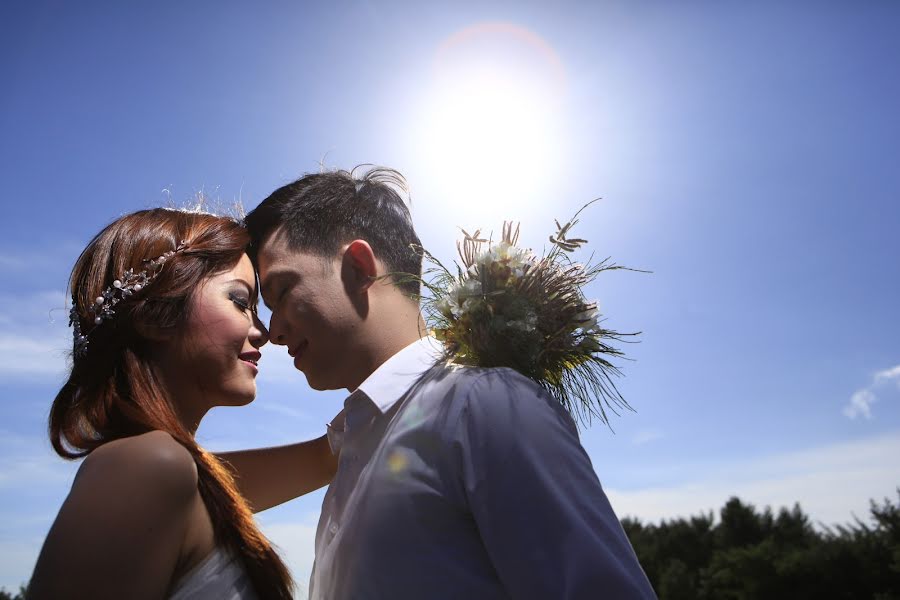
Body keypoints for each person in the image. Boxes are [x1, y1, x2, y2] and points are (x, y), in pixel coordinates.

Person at [233, 166, 657, 599]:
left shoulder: (483, 405)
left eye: (281, 293)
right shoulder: (355, 444)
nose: (273, 331)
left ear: (359, 267)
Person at [29, 209, 339, 599]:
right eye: (240, 301)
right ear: (156, 314)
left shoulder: (181, 476)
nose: (262, 332)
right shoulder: (149, 468)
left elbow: (313, 461)